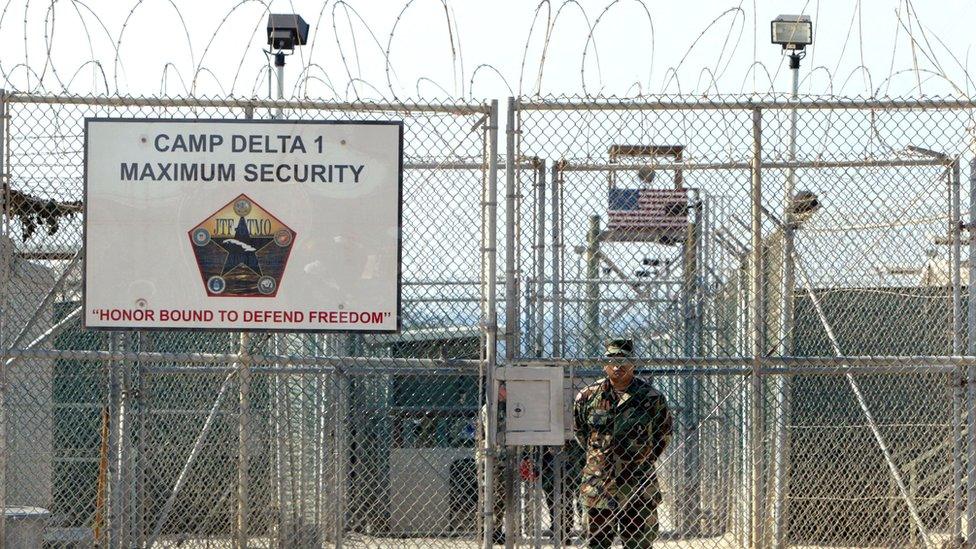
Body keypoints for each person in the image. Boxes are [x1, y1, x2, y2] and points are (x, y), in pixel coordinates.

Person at [573, 339, 673, 549]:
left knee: (639, 543)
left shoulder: (651, 398)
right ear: (605, 364)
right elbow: (581, 434)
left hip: (638, 482)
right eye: (613, 360)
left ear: (634, 364)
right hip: (599, 484)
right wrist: (601, 458)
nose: (618, 366)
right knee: (597, 543)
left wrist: (640, 459)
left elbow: (663, 435)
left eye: (624, 360)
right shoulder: (587, 397)